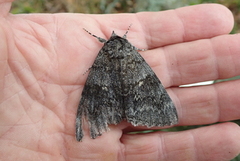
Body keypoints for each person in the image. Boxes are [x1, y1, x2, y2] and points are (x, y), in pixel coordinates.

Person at [0, 1, 240, 160]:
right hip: (138, 71)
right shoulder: (131, 51)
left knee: (95, 95)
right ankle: (135, 114)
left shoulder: (103, 52)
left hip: (102, 74)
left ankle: (105, 118)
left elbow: (96, 64)